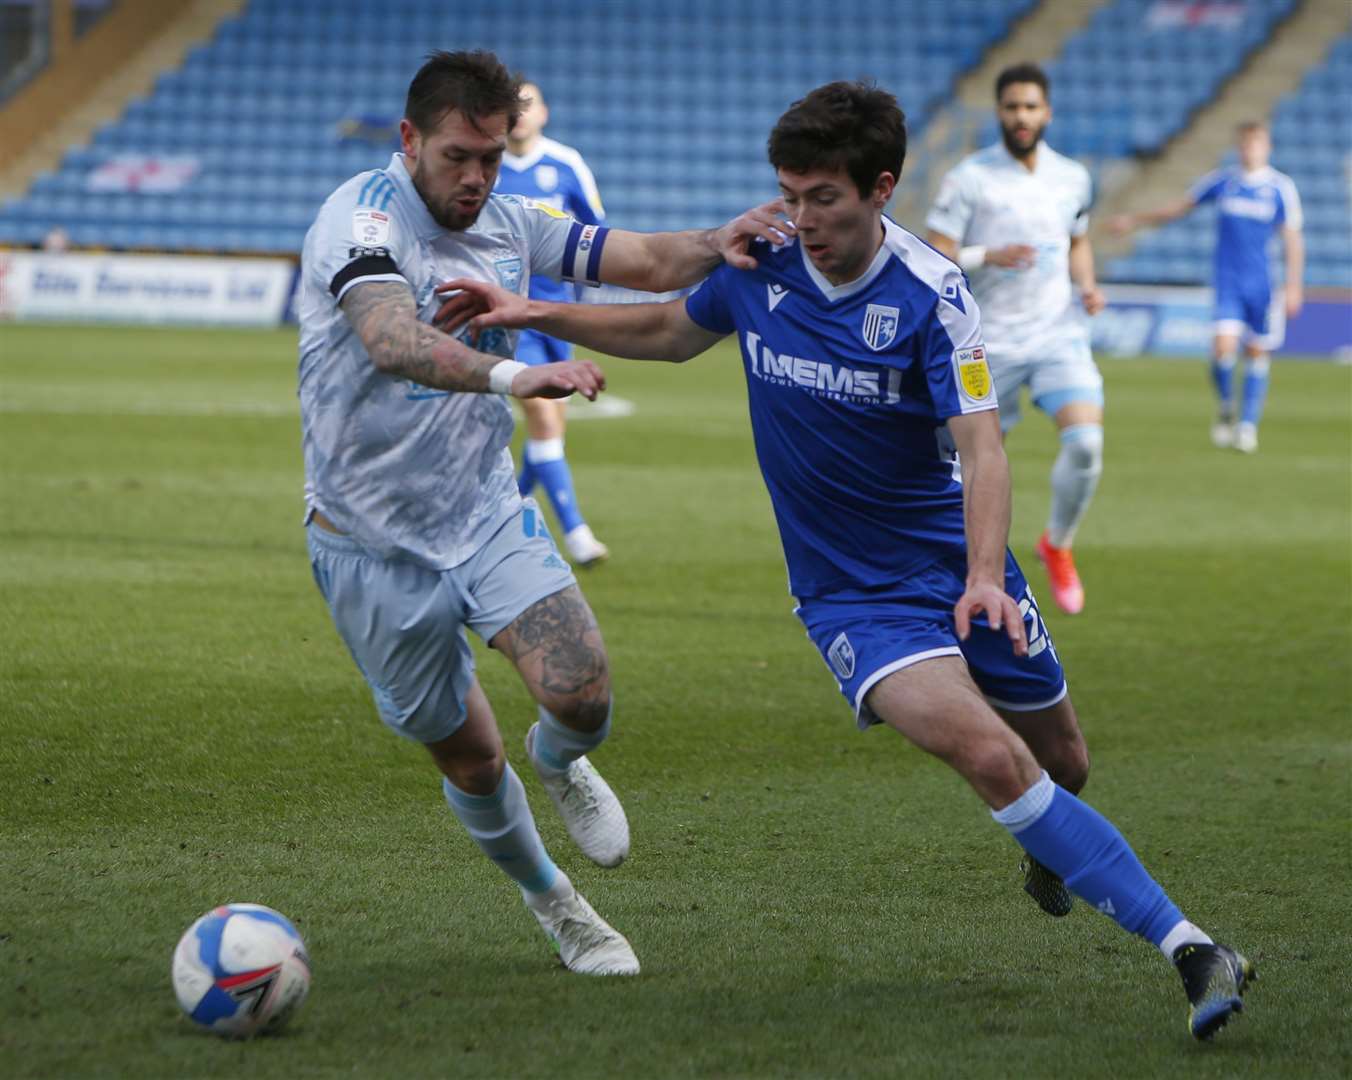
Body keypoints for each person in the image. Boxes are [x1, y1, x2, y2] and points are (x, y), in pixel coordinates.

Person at [438, 80, 1256, 1040]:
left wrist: (987, 576)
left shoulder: (930, 294)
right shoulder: (764, 263)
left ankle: (1060, 846)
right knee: (991, 757)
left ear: (880, 189)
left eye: (822, 197)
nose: (800, 218)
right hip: (850, 598)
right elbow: (667, 328)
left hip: (958, 568)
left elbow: (983, 444)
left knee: (1063, 761)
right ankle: (1196, 949)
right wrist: (525, 310)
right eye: (788, 193)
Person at [296, 49, 785, 977]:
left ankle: (558, 759)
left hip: (481, 512)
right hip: (368, 546)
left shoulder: (513, 219)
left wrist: (723, 236)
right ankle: (557, 905)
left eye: (491, 155)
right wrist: (521, 373)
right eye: (457, 157)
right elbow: (392, 339)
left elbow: (638, 259)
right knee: (473, 761)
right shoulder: (358, 220)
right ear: (410, 142)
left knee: (583, 693)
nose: (477, 178)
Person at [925, 62, 1105, 617]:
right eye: (1011, 107)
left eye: (1030, 106)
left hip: (1057, 336)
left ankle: (1057, 543)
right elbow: (934, 255)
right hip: (988, 344)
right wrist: (987, 256)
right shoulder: (971, 178)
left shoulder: (1072, 176)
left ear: (1046, 112)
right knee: (961, 470)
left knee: (1086, 447)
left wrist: (1088, 284)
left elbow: (1077, 238)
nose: (1021, 116)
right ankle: (953, 572)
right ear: (998, 113)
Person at [1108, 120, 1303, 454]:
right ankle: (1227, 405)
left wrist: (1295, 284)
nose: (1249, 149)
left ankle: (1247, 425)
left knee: (1257, 354)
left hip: (1263, 286)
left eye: (1256, 143)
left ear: (1267, 147)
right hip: (1228, 282)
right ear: (1238, 146)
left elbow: (1292, 238)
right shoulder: (1223, 182)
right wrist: (1134, 220)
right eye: (1244, 143)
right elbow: (1179, 208)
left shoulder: (1280, 188)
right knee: (1222, 348)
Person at [494, 80, 611, 567]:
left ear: (544, 112)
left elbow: (596, 232)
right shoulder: (485, 164)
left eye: (528, 103)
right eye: (511, 105)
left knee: (550, 436)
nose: (520, 113)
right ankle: (578, 535)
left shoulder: (566, 163)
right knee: (543, 418)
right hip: (506, 315)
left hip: (558, 316)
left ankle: (502, 520)